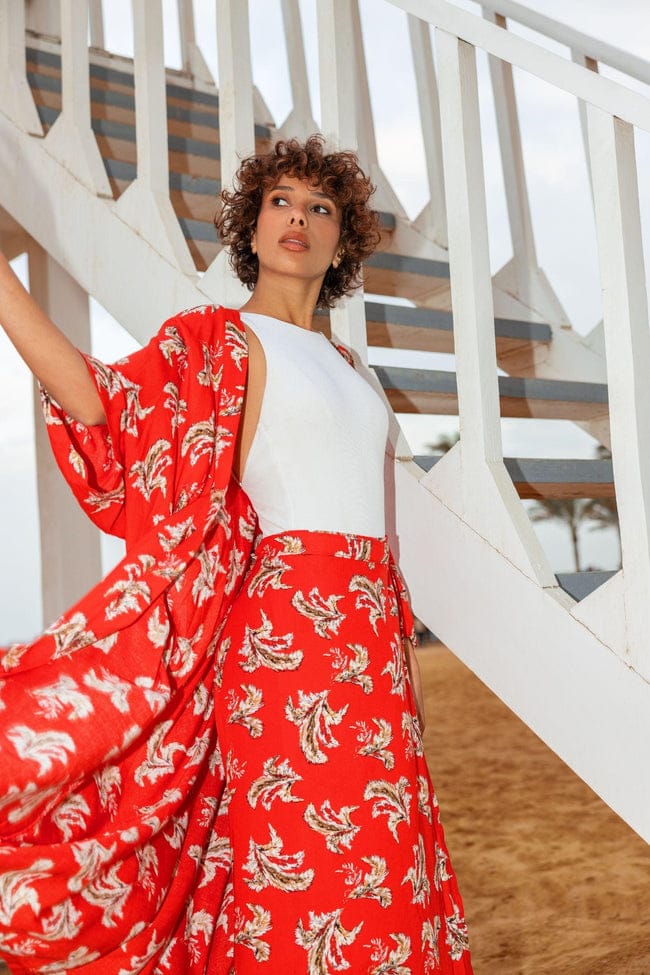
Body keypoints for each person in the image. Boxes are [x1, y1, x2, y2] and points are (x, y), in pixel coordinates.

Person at [0, 136, 472, 974]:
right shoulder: (216, 341)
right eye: (280, 200)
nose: (299, 218)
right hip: (285, 646)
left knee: (389, 865)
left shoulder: (351, 366)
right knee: (305, 872)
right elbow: (98, 400)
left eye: (321, 208)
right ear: (251, 228)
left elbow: (375, 526)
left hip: (372, 647)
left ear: (342, 243)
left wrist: (402, 650)